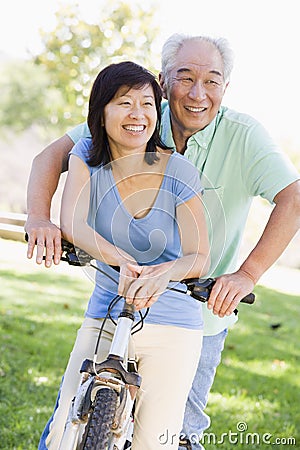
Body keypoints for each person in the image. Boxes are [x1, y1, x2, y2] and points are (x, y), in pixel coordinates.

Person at [25, 34, 300, 449]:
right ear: (163, 81)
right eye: (184, 77)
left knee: (174, 433)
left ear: (226, 87)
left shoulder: (241, 136)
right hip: (111, 300)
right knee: (69, 424)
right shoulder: (131, 114)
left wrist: (246, 275)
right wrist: (39, 218)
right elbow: (51, 159)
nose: (197, 93)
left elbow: (293, 198)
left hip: (198, 309)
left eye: (212, 81)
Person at [36, 60, 210, 450]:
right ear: (101, 112)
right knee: (64, 430)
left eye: (147, 104)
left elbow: (200, 256)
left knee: (155, 442)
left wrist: (163, 273)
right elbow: (74, 224)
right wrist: (123, 262)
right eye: (124, 103)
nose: (138, 115)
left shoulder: (179, 171)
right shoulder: (86, 155)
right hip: (106, 311)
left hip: (174, 323)